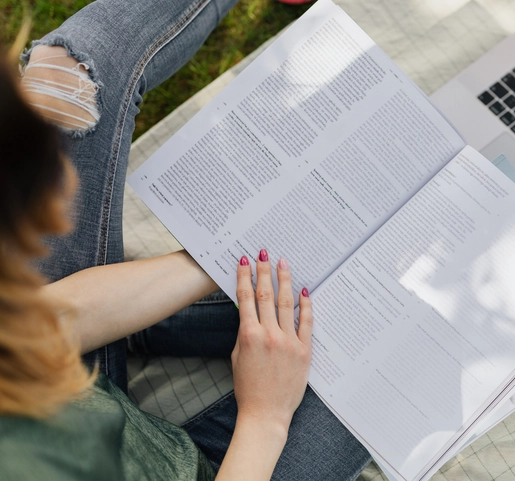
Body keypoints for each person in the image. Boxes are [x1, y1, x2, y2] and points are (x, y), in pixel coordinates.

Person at [0, 0, 370, 479]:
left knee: (64, 80)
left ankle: (144, 327)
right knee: (379, 334)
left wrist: (218, 254)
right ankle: (160, 328)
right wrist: (265, 418)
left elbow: (28, 331)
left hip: (71, 389)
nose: (64, 191)